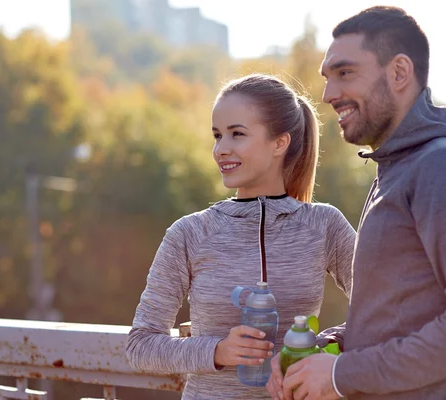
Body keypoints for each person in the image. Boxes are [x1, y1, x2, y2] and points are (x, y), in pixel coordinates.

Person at [266, 6, 446, 400]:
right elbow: (406, 316)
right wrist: (332, 349)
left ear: (399, 72)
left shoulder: (444, 167)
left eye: (345, 73)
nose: (329, 94)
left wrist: (342, 374)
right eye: (327, 78)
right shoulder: (399, 167)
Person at [126, 73, 355, 399]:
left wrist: (326, 343)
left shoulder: (324, 225)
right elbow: (141, 345)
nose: (221, 149)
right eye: (218, 136)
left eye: (237, 134)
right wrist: (217, 351)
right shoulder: (190, 233)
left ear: (280, 142)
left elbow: (388, 311)